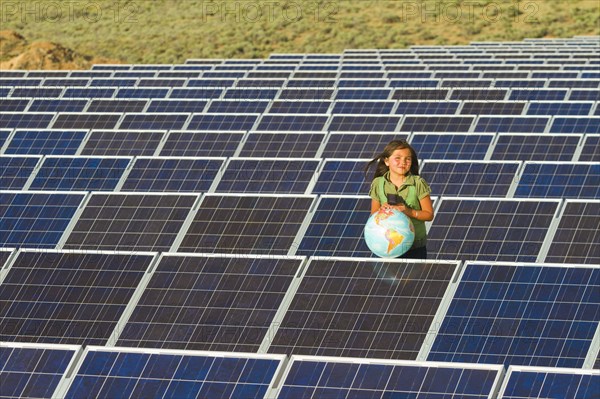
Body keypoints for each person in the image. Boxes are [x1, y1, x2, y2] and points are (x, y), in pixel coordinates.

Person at [365, 139, 434, 259]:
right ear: (386, 161)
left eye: (408, 159)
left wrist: (408, 211)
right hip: (386, 247)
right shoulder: (378, 183)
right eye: (397, 158)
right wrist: (383, 210)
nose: (403, 162)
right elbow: (373, 214)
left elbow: (429, 215)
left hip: (415, 247)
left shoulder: (418, 183)